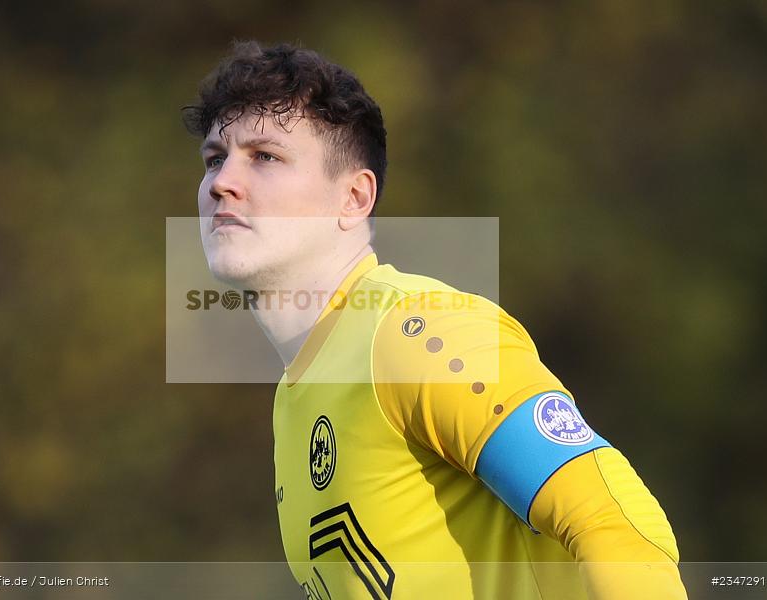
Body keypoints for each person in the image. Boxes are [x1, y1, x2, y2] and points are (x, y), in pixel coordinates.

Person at [184, 40, 688, 600]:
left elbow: (617, 525)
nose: (222, 182)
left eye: (265, 157)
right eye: (215, 158)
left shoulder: (419, 331)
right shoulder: (293, 399)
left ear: (354, 198)